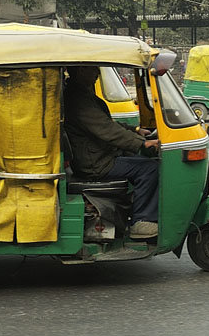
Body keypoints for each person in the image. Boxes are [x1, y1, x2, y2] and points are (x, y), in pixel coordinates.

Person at [62, 65, 161, 239]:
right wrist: (141, 144)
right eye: (93, 70)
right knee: (150, 168)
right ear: (80, 71)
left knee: (139, 159)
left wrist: (135, 131)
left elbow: (107, 124)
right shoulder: (78, 99)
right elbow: (106, 130)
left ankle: (133, 212)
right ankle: (141, 220)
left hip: (97, 155)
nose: (97, 74)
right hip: (95, 164)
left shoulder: (81, 94)